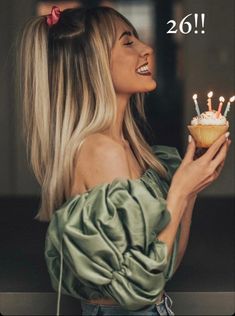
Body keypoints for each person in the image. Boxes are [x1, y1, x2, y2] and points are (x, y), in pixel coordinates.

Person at [17, 5, 231, 316]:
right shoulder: (101, 152)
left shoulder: (129, 147)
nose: (146, 49)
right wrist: (180, 191)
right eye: (127, 42)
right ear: (92, 64)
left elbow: (162, 269)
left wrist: (191, 189)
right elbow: (134, 288)